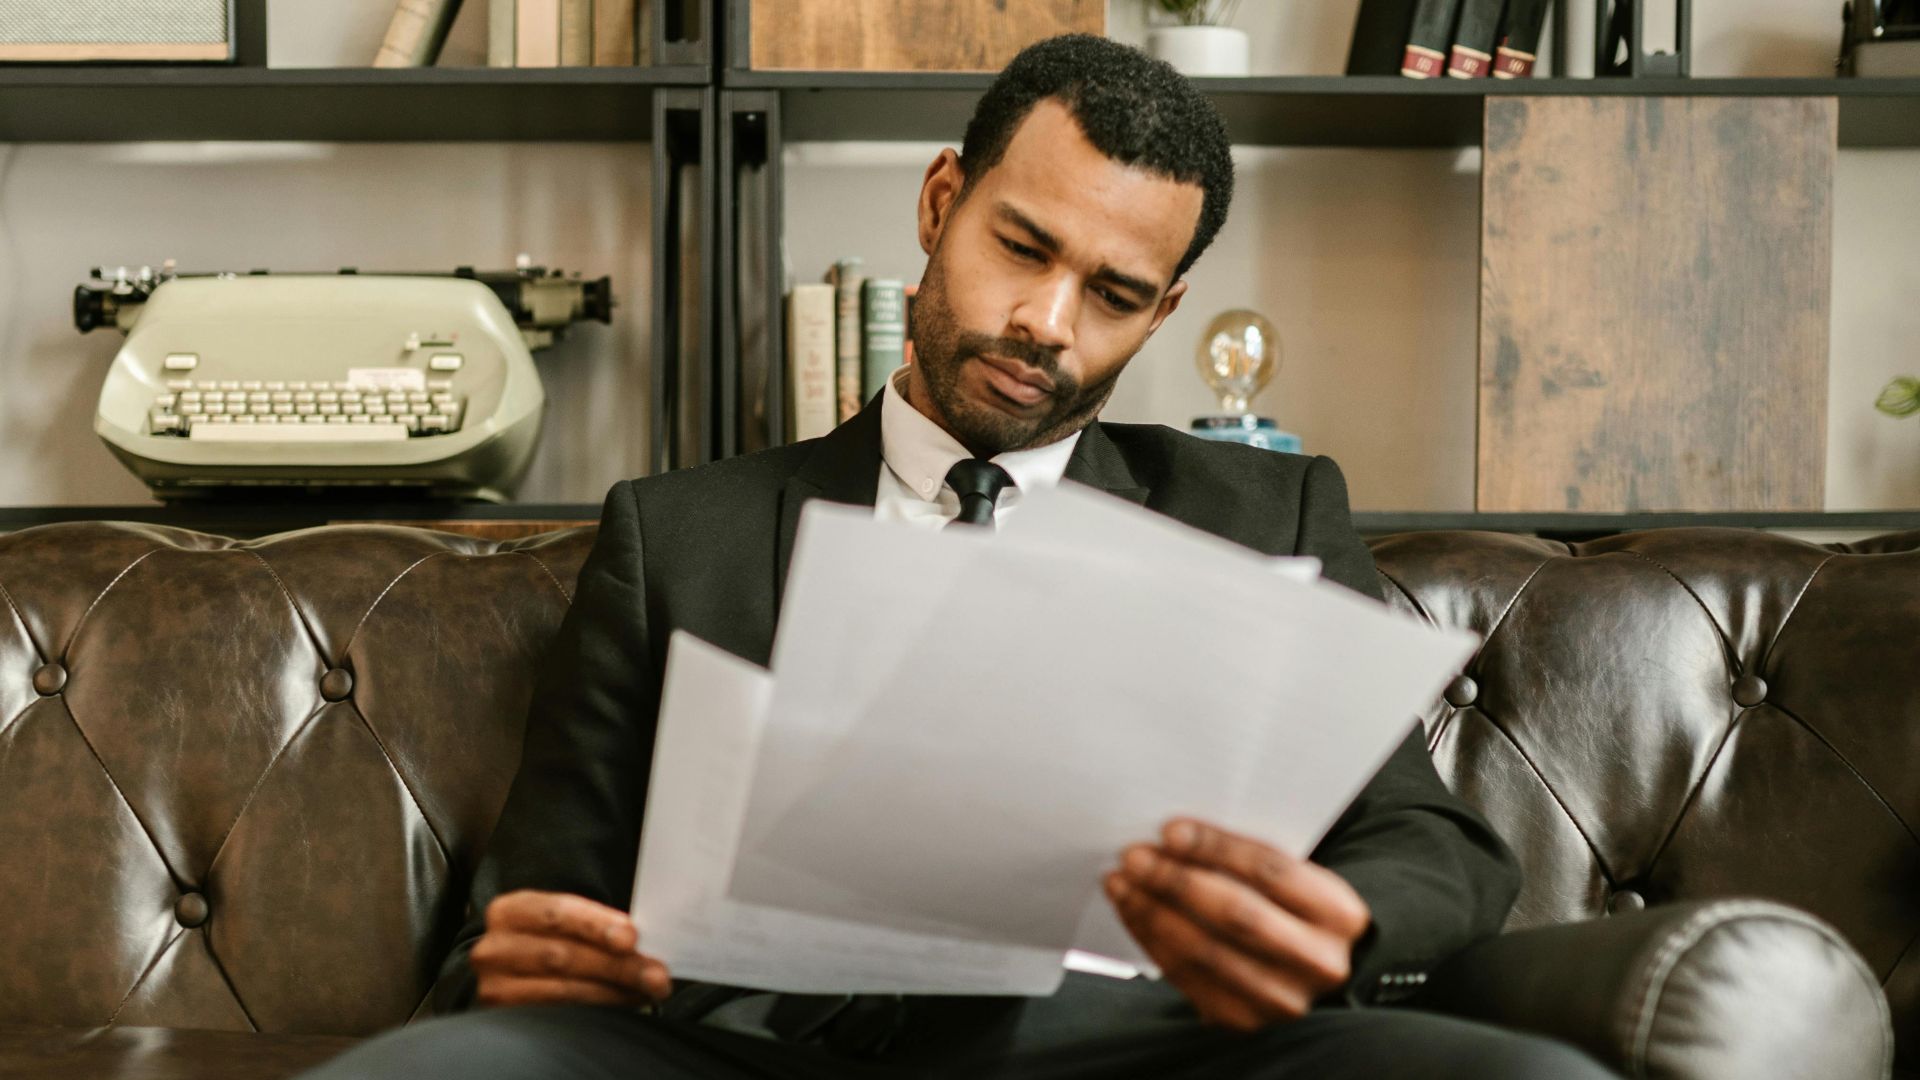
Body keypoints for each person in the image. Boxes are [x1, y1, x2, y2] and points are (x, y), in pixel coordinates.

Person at [301, 34, 1613, 1080]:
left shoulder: (1262, 509)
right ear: (942, 203)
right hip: (752, 1052)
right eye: (1022, 248)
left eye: (1109, 295)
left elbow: (1434, 842)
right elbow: (531, 910)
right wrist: (525, 956)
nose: (1045, 323)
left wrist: (1341, 925)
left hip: (1145, 1053)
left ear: (1162, 312)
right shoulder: (674, 534)